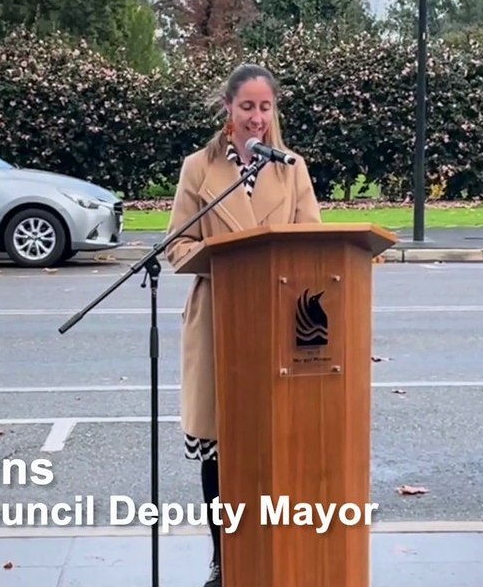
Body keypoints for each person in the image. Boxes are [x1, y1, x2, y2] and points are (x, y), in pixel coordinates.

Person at [162, 63, 322, 587]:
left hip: (280, 327)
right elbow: (177, 249)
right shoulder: (198, 168)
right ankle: (222, 557)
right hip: (219, 325)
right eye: (247, 107)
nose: (257, 117)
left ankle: (277, 548)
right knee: (221, 450)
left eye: (265, 107)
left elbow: (314, 243)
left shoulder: (292, 168)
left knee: (275, 445)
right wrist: (230, 257)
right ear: (227, 109)